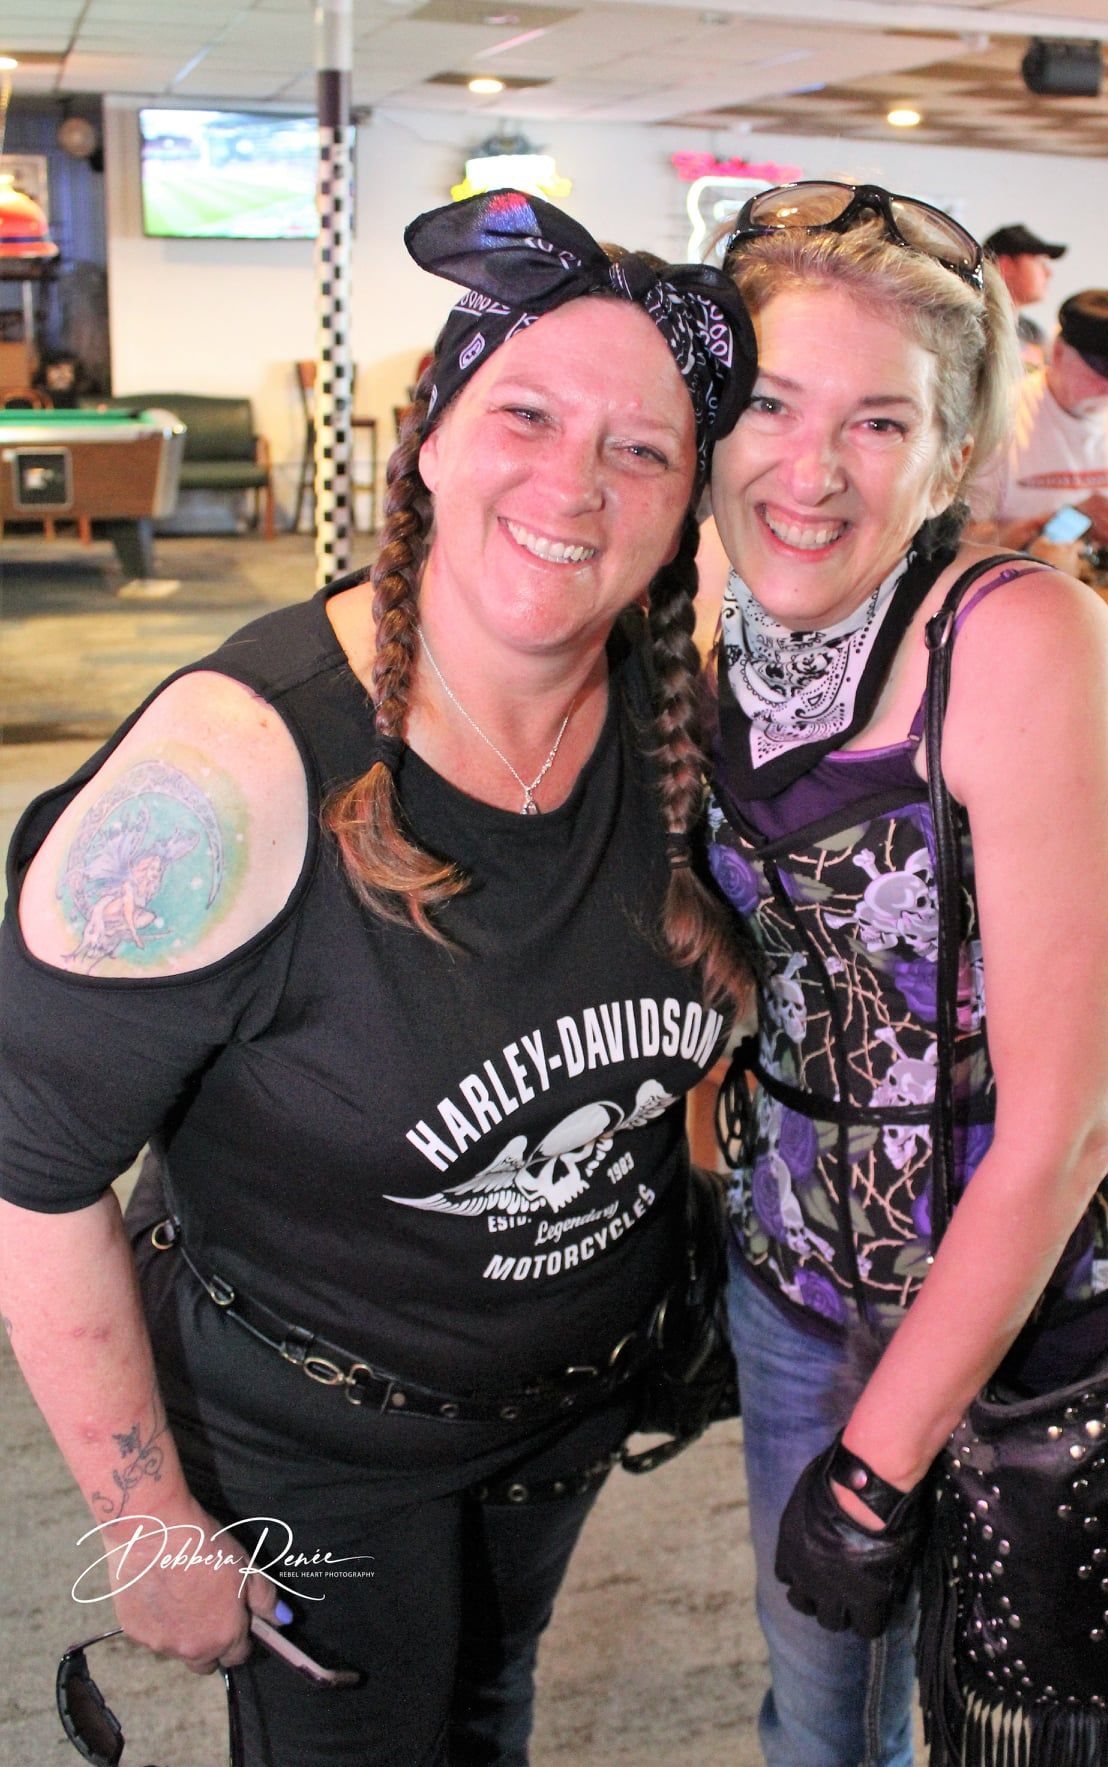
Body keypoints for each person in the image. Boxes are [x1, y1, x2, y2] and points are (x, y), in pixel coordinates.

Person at [0, 190, 756, 1767]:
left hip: (567, 1406)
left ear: (687, 503)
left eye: (642, 449)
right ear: (432, 438)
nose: (576, 480)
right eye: (528, 414)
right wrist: (145, 1518)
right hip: (312, 1450)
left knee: (486, 1702)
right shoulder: (223, 782)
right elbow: (32, 1167)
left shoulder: (670, 718)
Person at [699, 181, 1108, 1767]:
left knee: (1044, 1734)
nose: (808, 466)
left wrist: (877, 1466)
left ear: (948, 456)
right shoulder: (686, 613)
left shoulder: (1025, 639)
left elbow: (1060, 1122)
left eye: (877, 422)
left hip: (1059, 1310)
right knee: (822, 1707)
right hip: (800, 1281)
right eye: (772, 403)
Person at [977, 286, 1108, 552]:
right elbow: (967, 540)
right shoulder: (999, 416)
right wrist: (1067, 523)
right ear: (1058, 353)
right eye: (1099, 373)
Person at [983, 222, 1066, 369]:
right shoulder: (971, 322)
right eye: (1040, 262)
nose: (1048, 273)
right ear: (1005, 266)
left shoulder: (1034, 334)